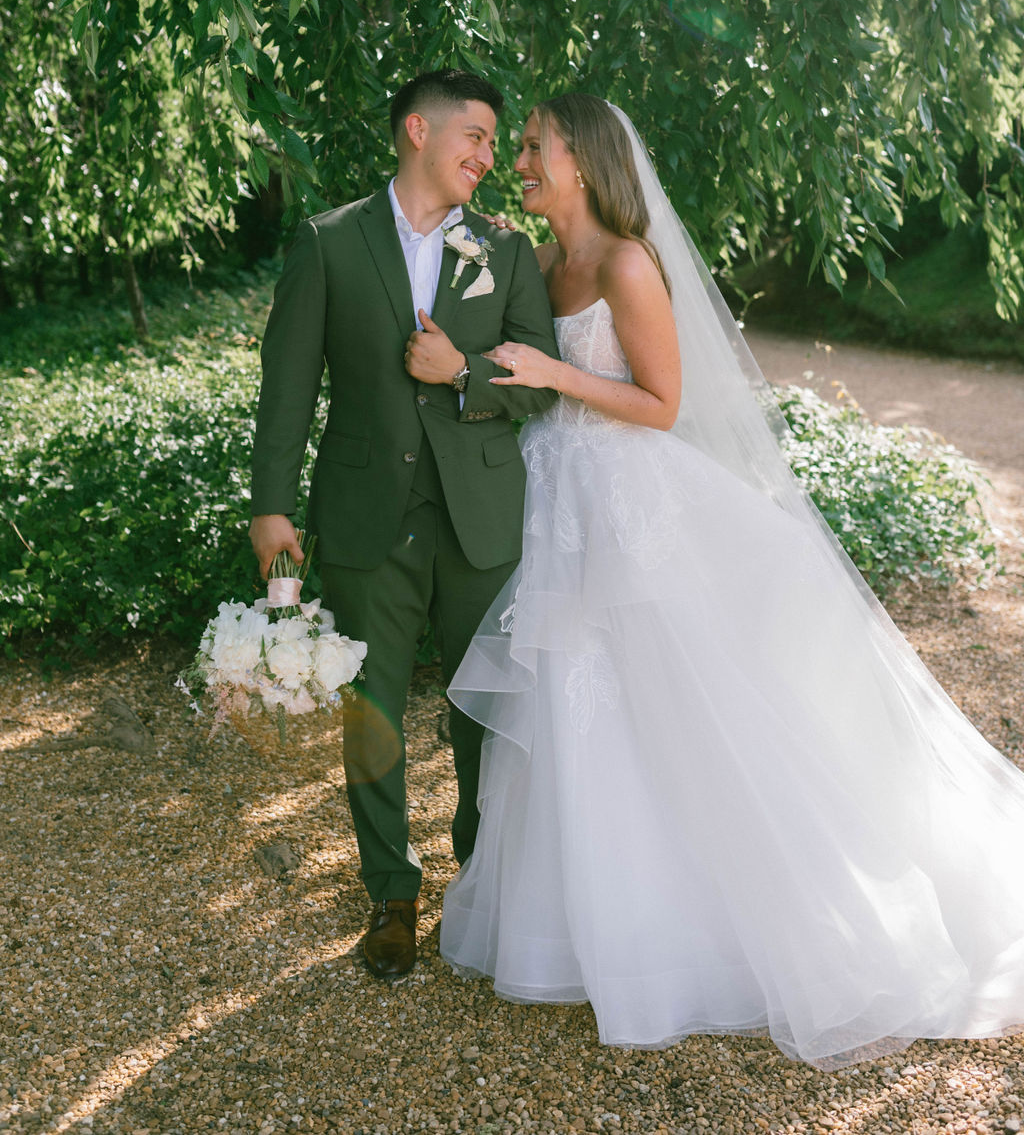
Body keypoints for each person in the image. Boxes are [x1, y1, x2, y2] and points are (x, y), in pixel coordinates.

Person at [439, 92, 1024, 1067]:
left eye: (535, 147)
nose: (521, 161)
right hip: (562, 507)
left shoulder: (627, 262)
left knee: (684, 706)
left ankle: (738, 928)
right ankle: (590, 932)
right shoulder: (542, 262)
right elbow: (514, 361)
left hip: (636, 506)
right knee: (583, 708)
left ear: (584, 161)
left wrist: (557, 376)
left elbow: (661, 403)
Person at [249, 69, 559, 979]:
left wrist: (460, 371)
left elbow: (540, 377)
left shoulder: (503, 250)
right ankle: (390, 890)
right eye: (476, 136)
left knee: (484, 709)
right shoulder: (328, 242)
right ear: (417, 131)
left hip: (481, 517)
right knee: (372, 710)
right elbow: (289, 383)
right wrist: (271, 505)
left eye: (496, 143)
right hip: (362, 516)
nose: (489, 156)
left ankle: (482, 882)